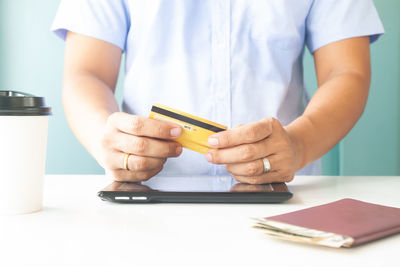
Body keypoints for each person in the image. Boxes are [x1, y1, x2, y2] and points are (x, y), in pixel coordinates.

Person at [51, 0, 384, 184]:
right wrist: (104, 138)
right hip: (147, 191)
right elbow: (86, 73)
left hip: (282, 190)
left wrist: (298, 144)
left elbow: (347, 72)